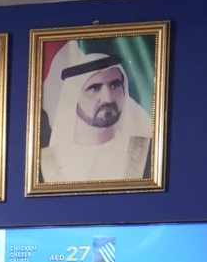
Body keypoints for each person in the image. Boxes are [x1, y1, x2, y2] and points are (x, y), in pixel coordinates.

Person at [38, 38, 155, 186]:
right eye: (94, 88)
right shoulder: (44, 163)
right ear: (72, 97)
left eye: (115, 85)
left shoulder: (149, 152)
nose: (108, 98)